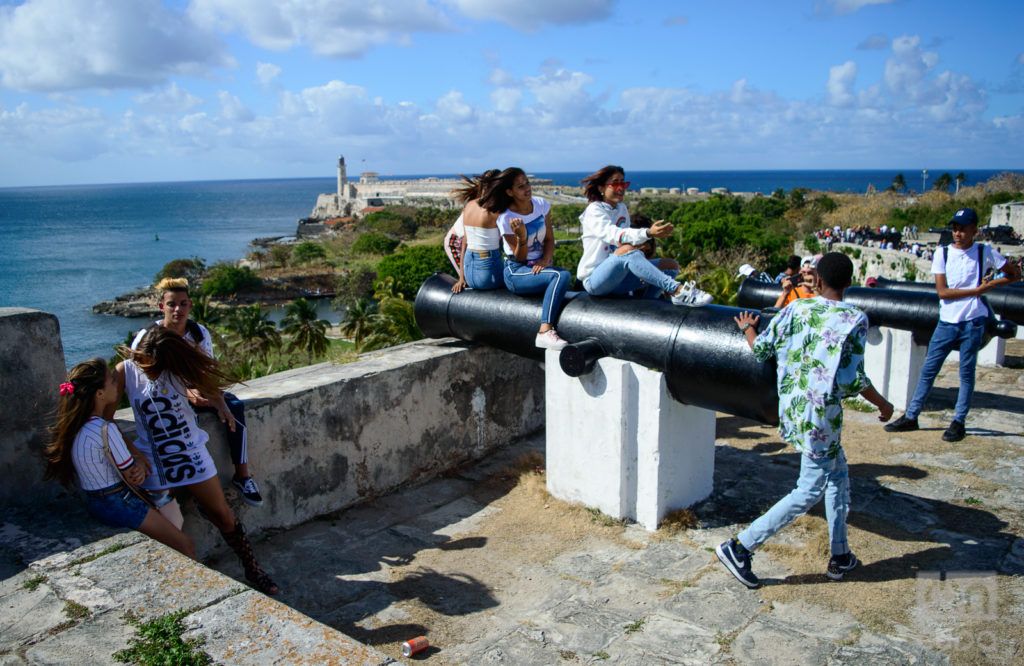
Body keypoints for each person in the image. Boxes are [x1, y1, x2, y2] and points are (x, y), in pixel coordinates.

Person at [717, 252, 894, 589]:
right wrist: (884, 406)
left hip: (797, 410)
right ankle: (740, 546)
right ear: (848, 283)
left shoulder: (796, 308)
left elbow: (762, 351)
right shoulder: (854, 319)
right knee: (808, 490)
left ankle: (840, 554)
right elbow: (852, 379)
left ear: (819, 280)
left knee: (838, 475)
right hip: (822, 420)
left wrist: (749, 330)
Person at [116, 327, 278, 595]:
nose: (148, 370)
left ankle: (252, 567)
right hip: (153, 462)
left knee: (223, 515)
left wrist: (219, 403)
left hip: (190, 454)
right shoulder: (125, 371)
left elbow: (198, 390)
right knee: (169, 530)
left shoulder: (176, 366)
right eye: (144, 363)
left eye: (154, 366)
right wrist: (133, 454)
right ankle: (183, 584)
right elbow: (105, 419)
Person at [884, 208, 1021, 442]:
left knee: (966, 373)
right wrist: (977, 290)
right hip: (948, 320)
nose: (957, 233)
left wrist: (990, 285)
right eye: (955, 228)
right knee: (929, 370)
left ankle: (959, 421)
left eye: (962, 228)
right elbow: (943, 292)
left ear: (974, 230)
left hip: (973, 320)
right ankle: (912, 415)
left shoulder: (984, 252)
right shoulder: (943, 254)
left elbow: (1014, 274)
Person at [44, 359, 195, 558]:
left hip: (95, 501)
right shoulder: (105, 429)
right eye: (112, 382)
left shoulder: (75, 428)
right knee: (184, 545)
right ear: (99, 394)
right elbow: (133, 475)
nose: (117, 385)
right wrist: (140, 463)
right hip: (118, 501)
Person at [132, 278, 262, 507]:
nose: (177, 309)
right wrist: (186, 394)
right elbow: (138, 379)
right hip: (160, 399)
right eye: (172, 304)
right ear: (161, 307)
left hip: (196, 392)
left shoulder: (198, 333)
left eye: (183, 304)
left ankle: (242, 476)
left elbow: (206, 373)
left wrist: (218, 401)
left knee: (235, 408)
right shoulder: (148, 337)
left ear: (190, 305)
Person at [576, 165, 711, 306]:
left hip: (619, 278)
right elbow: (614, 235)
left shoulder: (621, 208)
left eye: (623, 183)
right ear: (601, 188)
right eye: (615, 183)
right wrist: (647, 232)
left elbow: (623, 243)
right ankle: (677, 290)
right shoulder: (594, 210)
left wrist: (639, 245)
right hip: (596, 280)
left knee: (670, 265)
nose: (621, 187)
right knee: (627, 251)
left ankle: (647, 305)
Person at [490, 167, 573, 350]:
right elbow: (519, 257)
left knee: (562, 276)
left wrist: (545, 260)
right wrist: (521, 236)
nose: (527, 188)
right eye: (520, 186)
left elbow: (550, 239)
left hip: (539, 265)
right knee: (560, 276)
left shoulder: (542, 205)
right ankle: (544, 331)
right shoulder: (506, 218)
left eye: (527, 183)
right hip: (517, 271)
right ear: (510, 192)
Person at [450, 169, 503, 295]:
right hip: (487, 274)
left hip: (469, 273)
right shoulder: (495, 209)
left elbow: (464, 244)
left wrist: (461, 278)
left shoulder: (469, 205)